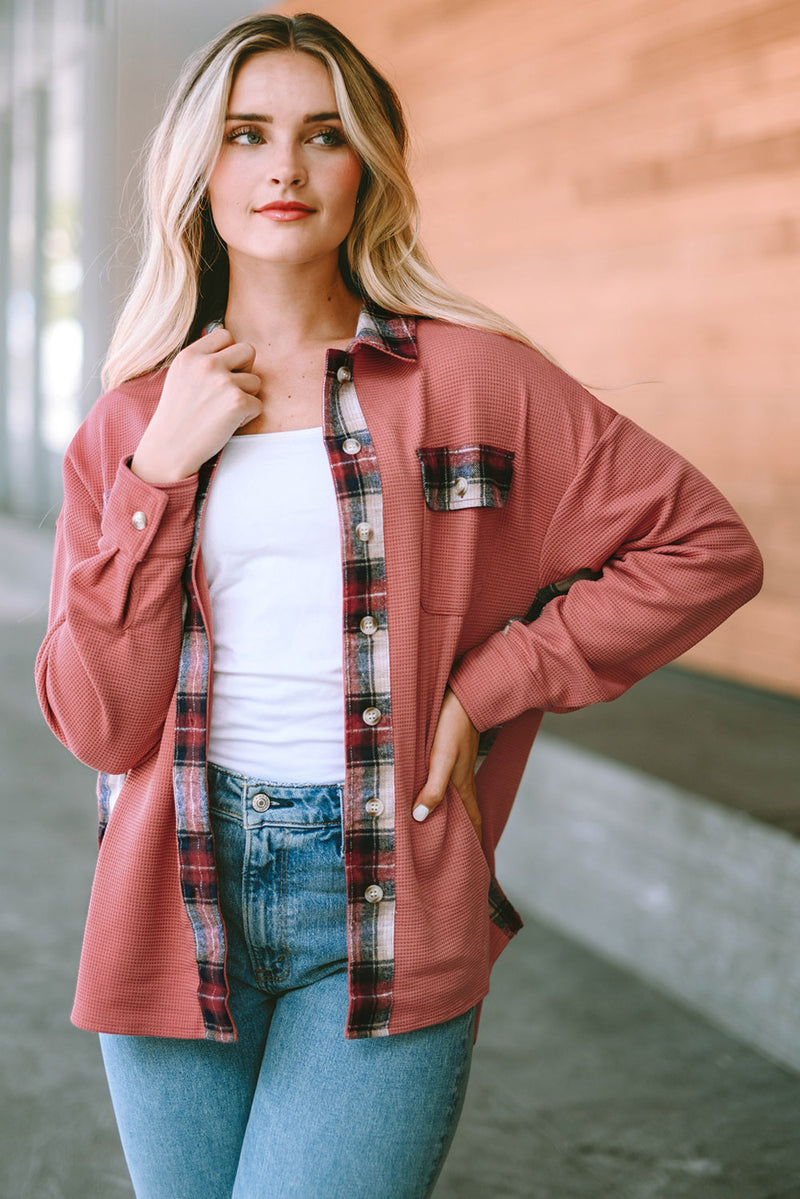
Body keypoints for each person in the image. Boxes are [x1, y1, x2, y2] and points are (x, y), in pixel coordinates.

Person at [35, 11, 763, 1198]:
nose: (283, 167)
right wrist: (158, 473)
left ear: (366, 164)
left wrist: (492, 685)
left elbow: (699, 546)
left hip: (381, 891)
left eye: (322, 134)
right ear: (197, 170)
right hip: (169, 893)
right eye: (245, 134)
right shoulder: (131, 423)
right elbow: (96, 725)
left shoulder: (475, 381)